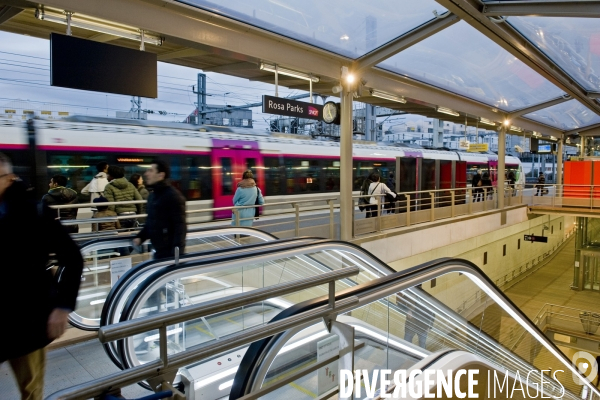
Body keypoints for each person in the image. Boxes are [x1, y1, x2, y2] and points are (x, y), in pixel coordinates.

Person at [0, 152, 83, 400]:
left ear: (9, 177)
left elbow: (72, 256)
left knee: (31, 388)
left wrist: (63, 306)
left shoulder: (33, 210)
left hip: (26, 316)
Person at [133, 159, 186, 259]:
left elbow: (180, 228)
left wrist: (177, 257)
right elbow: (151, 223)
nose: (146, 174)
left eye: (151, 171)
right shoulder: (153, 196)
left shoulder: (173, 196)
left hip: (169, 255)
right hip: (158, 252)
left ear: (161, 175)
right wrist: (141, 237)